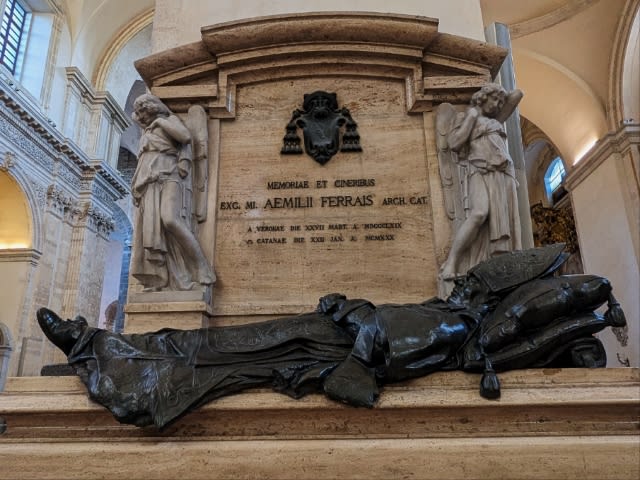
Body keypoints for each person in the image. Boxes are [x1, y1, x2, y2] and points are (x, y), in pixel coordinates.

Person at [38, 245, 625, 429]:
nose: (466, 284)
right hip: (321, 338)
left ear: (491, 302)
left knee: (220, 351)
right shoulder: (447, 311)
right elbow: (383, 324)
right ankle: (98, 347)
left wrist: (352, 313)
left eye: (475, 285)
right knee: (218, 344)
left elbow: (387, 344)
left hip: (323, 349)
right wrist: (349, 308)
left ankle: (99, 352)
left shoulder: (462, 327)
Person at [130, 94, 214, 291]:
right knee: (155, 228)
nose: (140, 116)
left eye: (142, 111)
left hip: (170, 174)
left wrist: (160, 122)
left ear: (152, 107)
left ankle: (202, 266)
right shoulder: (147, 131)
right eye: (138, 113)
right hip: (148, 179)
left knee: (169, 219)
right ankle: (162, 277)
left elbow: (185, 137)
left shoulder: (170, 120)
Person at [439, 83, 523, 280]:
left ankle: (503, 263)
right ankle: (451, 262)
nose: (498, 104)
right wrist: (471, 116)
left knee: (510, 218)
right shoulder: (466, 117)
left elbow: (517, 94)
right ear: (483, 97)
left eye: (500, 102)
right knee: (478, 214)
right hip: (479, 169)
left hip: (503, 172)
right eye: (494, 99)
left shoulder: (495, 120)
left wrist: (499, 94)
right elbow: (454, 143)